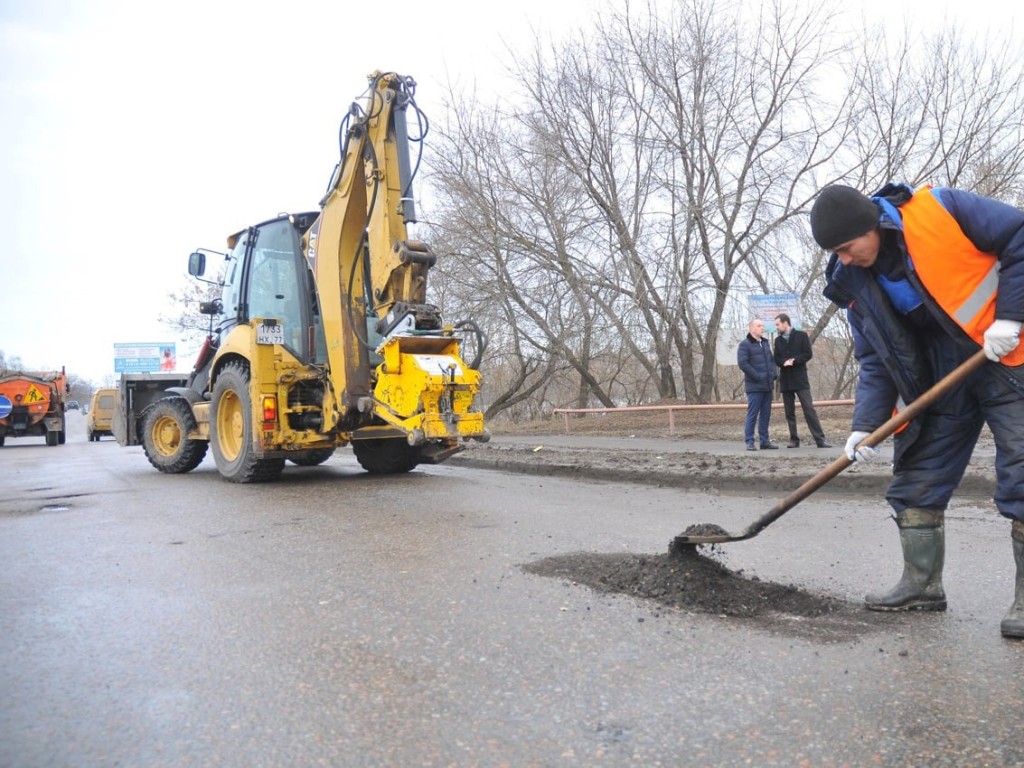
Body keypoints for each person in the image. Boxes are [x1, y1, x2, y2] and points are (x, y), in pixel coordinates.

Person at [810, 181, 1024, 639]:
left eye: (847, 247)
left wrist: (1011, 316)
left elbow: (1019, 234)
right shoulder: (854, 283)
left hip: (1007, 354)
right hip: (943, 377)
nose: (843, 258)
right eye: (836, 252)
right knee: (917, 478)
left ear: (872, 226)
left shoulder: (940, 209)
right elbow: (875, 358)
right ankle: (922, 585)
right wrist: (865, 426)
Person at [772, 313, 831, 449]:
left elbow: (807, 354)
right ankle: (794, 440)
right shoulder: (778, 341)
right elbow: (776, 359)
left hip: (800, 379)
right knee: (789, 411)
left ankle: (820, 439)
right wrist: (783, 362)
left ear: (786, 323)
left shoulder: (801, 336)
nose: (777, 327)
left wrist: (794, 360)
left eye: (778, 324)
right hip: (786, 380)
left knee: (809, 409)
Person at [736, 318, 778, 451]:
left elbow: (771, 361)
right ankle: (749, 441)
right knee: (752, 414)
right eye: (759, 326)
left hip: (767, 385)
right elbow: (743, 363)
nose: (762, 328)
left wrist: (773, 375)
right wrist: (758, 376)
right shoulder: (745, 344)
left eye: (762, 326)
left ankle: (765, 441)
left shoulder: (765, 344)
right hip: (754, 386)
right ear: (752, 328)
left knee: (766, 414)